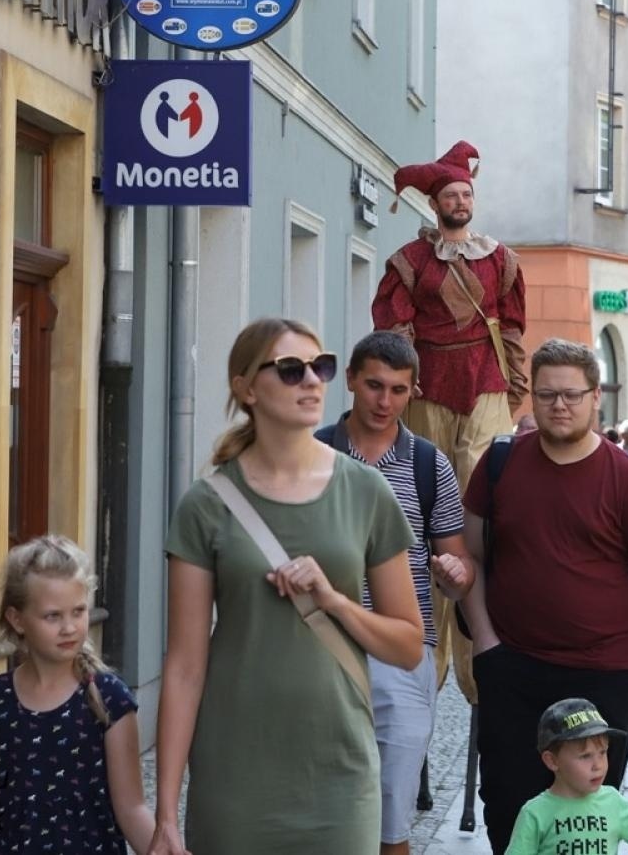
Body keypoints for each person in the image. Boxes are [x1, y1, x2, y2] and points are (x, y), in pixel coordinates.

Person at [150, 319, 423, 855]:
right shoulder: (206, 505)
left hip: (339, 771)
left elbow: (408, 645)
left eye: (320, 368)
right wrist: (165, 813)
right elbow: (184, 665)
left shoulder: (365, 490)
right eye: (291, 369)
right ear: (246, 388)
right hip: (234, 773)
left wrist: (336, 601)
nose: (312, 381)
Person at [459, 338, 628, 855]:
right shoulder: (499, 465)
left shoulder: (626, 478)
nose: (558, 405)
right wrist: (485, 643)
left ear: (596, 397)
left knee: (586, 820)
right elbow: (470, 558)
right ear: (532, 398)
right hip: (512, 668)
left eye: (571, 395)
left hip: (601, 675)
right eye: (546, 395)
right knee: (508, 808)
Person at [372, 140, 528, 697]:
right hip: (430, 390)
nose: (460, 201)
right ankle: (423, 663)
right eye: (451, 194)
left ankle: (481, 666)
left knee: (482, 513)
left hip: (486, 386)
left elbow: (511, 325)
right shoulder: (410, 262)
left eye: (466, 193)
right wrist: (405, 381)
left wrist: (516, 385)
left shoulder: (500, 258)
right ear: (435, 204)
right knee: (430, 518)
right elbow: (393, 329)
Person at [318, 331, 476, 855]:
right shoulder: (313, 452)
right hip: (319, 647)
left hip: (404, 650)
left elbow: (458, 561)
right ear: (351, 382)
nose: (385, 402)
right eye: (374, 386)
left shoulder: (430, 465)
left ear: (414, 392)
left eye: (399, 390)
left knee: (393, 819)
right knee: (322, 807)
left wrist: (455, 573)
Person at [0, 536, 154, 854]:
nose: (69, 627)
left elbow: (132, 809)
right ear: (17, 619)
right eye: (53, 616)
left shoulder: (110, 698)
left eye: (78, 611)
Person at [505, 698, 628, 855]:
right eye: (585, 756)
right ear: (552, 761)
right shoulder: (535, 813)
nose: (598, 765)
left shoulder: (612, 801)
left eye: (603, 753)